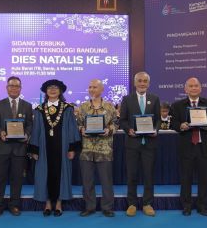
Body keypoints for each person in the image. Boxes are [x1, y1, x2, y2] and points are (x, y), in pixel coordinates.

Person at [27, 79, 81, 216]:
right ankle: (47, 203)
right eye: (49, 88)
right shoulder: (39, 109)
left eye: (55, 88)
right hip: (44, 148)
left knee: (61, 174)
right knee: (44, 174)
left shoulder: (68, 108)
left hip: (62, 148)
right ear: (46, 91)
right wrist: (34, 149)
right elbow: (36, 130)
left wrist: (72, 148)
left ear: (60, 91)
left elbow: (72, 129)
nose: (52, 90)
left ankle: (58, 204)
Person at [171, 77, 207, 216]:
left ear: (200, 88)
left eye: (196, 86)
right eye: (190, 86)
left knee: (204, 179)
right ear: (185, 89)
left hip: (204, 146)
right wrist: (181, 125)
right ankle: (186, 206)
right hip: (186, 146)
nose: (193, 88)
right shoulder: (177, 105)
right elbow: (173, 123)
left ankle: (203, 206)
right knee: (186, 178)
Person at [118, 71, 161, 216]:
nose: (142, 83)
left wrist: (156, 129)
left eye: (145, 81)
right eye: (140, 81)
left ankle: (147, 204)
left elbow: (158, 119)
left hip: (149, 144)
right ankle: (132, 204)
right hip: (132, 144)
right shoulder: (127, 99)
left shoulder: (155, 99)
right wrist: (128, 129)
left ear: (148, 83)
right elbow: (122, 120)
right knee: (132, 175)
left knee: (149, 175)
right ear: (135, 83)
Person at [0, 76, 33, 217]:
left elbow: (30, 124)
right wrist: (0, 132)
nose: (14, 88)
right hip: (2, 147)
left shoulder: (27, 105)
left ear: (20, 88)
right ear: (7, 88)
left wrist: (27, 134)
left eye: (17, 86)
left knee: (17, 179)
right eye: (11, 85)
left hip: (20, 149)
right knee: (0, 178)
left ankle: (14, 205)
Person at [77, 79, 117, 217]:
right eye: (90, 87)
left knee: (106, 181)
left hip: (104, 149)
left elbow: (116, 123)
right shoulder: (82, 107)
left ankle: (107, 207)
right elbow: (78, 124)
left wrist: (109, 130)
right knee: (87, 181)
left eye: (95, 87)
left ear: (102, 89)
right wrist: (81, 129)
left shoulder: (110, 107)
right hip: (86, 150)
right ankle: (90, 207)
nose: (92, 89)